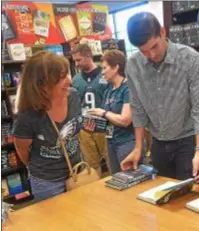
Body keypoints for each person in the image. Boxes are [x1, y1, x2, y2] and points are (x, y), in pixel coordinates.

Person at [121, 12, 199, 182]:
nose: (152, 55)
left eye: (154, 47)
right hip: (158, 143)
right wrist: (138, 147)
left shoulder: (191, 59)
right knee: (162, 194)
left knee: (188, 194)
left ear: (162, 32)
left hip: (187, 141)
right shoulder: (133, 65)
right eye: (144, 52)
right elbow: (137, 107)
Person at [13, 51, 82, 202]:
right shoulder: (27, 115)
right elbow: (22, 150)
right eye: (61, 77)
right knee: (55, 222)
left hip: (77, 170)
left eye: (67, 74)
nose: (69, 81)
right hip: (47, 182)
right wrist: (40, 168)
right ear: (42, 85)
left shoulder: (74, 96)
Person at [86, 49, 142, 174]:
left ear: (116, 67)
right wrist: (94, 125)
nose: (102, 72)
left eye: (105, 68)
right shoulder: (108, 90)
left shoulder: (128, 88)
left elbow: (125, 120)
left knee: (130, 179)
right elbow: (108, 121)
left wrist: (103, 113)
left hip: (127, 143)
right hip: (111, 142)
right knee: (116, 180)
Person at [71, 44, 109, 177]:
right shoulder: (75, 80)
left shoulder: (105, 75)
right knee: (92, 166)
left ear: (88, 56)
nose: (76, 64)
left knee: (112, 163)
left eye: (78, 60)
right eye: (74, 61)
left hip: (105, 127)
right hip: (85, 129)